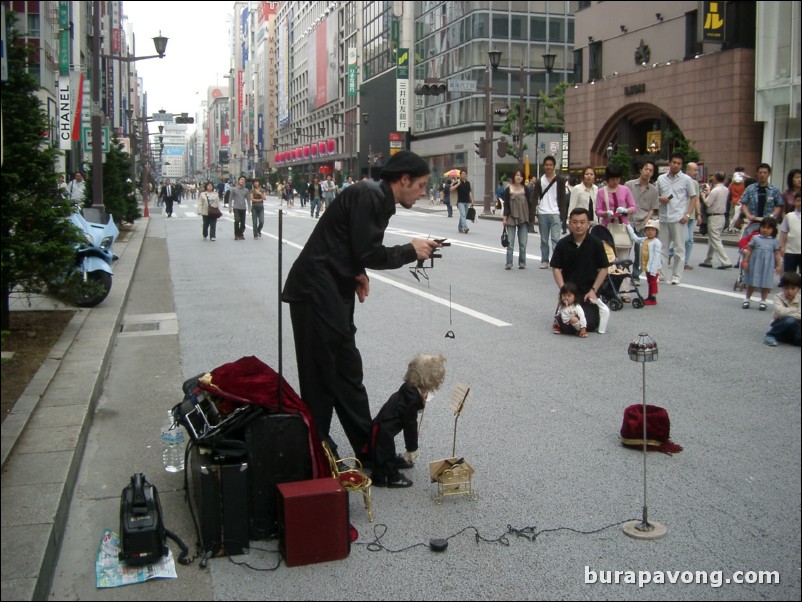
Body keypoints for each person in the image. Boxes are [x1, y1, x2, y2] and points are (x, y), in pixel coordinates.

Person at [281, 150, 441, 459]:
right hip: (315, 292)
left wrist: (357, 272)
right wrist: (410, 250)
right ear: (404, 180)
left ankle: (371, 454)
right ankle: (316, 458)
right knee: (320, 383)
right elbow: (368, 251)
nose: (423, 193)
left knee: (348, 377)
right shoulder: (370, 196)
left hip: (331, 292)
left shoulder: (376, 197)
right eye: (420, 186)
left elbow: (348, 244)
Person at [369, 354, 446, 488]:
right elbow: (409, 426)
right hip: (384, 432)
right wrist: (412, 448)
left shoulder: (408, 388)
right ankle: (391, 478)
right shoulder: (412, 400)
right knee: (384, 454)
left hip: (381, 426)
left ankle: (387, 466)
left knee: (384, 451)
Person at [550, 208, 610, 334]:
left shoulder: (596, 244)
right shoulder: (563, 244)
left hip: (588, 293)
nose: (578, 226)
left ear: (588, 224)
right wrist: (563, 290)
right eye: (575, 222)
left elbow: (604, 268)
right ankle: (561, 319)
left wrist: (594, 290)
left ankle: (569, 320)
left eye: (582, 222)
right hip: (569, 292)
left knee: (590, 324)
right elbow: (556, 268)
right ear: (569, 223)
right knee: (567, 325)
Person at [656, 153, 698, 285]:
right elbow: (655, 195)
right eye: (674, 162)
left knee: (679, 249)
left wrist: (687, 214)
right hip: (664, 217)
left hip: (678, 218)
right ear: (669, 163)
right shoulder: (661, 179)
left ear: (681, 165)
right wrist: (660, 199)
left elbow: (693, 197)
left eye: (679, 163)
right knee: (662, 248)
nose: (676, 165)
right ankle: (662, 274)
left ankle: (676, 275)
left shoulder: (686, 180)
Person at [625, 161, 659, 282]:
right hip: (628, 220)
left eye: (650, 170)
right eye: (646, 169)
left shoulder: (653, 190)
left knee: (640, 251)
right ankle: (623, 273)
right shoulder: (629, 185)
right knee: (625, 248)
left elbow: (653, 208)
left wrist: (646, 220)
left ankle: (635, 275)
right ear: (641, 170)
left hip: (643, 222)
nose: (647, 172)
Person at [532, 156, 568, 269]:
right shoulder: (539, 181)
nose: (548, 167)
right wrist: (532, 214)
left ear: (554, 166)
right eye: (546, 165)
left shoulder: (560, 180)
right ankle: (544, 260)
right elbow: (534, 198)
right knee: (543, 240)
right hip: (543, 213)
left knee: (556, 240)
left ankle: (556, 261)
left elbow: (562, 198)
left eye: (550, 165)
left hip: (555, 213)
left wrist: (563, 215)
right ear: (544, 166)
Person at [741, 217, 782, 311]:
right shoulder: (755, 238)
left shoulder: (774, 241)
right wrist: (746, 261)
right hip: (755, 263)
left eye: (768, 228)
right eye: (763, 227)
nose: (765, 230)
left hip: (768, 265)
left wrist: (778, 265)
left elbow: (777, 254)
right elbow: (749, 250)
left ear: (773, 230)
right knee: (752, 281)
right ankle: (747, 298)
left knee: (765, 283)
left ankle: (763, 300)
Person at [699, 171, 733, 269]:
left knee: (715, 240)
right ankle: (708, 260)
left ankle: (726, 262)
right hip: (721, 216)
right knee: (713, 239)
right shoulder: (726, 189)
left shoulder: (715, 190)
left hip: (714, 216)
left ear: (716, 178)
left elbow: (708, 203)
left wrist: (703, 196)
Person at [502, 170, 533, 270]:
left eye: (520, 176)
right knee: (510, 243)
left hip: (523, 217)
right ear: (513, 177)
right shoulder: (508, 189)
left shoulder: (526, 189)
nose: (518, 177)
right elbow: (506, 204)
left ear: (523, 178)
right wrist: (504, 218)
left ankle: (522, 263)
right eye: (517, 175)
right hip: (511, 217)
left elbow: (530, 204)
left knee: (523, 243)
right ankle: (509, 263)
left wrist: (531, 218)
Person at [626, 220, 663, 305]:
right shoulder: (644, 240)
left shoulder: (657, 242)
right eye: (648, 230)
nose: (650, 232)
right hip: (646, 266)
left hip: (654, 267)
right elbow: (635, 238)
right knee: (649, 282)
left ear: (656, 232)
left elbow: (656, 256)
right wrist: (628, 225)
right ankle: (649, 296)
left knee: (653, 282)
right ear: (645, 231)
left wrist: (653, 269)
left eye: (652, 230)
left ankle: (653, 298)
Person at [764, 272, 801, 346]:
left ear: (798, 289)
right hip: (779, 322)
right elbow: (780, 312)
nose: (789, 291)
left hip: (796, 325)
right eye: (786, 288)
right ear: (782, 288)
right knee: (790, 320)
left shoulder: (800, 298)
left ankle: (784, 337)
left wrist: (787, 313)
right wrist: (794, 310)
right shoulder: (778, 297)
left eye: (793, 288)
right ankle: (770, 335)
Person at [595, 164, 637, 228]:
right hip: (607, 226)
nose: (615, 182)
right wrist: (605, 213)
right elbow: (597, 211)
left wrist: (625, 210)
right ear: (607, 178)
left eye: (617, 179)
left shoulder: (625, 189)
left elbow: (633, 207)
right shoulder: (601, 192)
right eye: (612, 179)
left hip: (623, 225)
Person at [779, 192, 801, 274]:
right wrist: (782, 246)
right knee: (789, 274)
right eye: (798, 201)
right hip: (790, 251)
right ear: (794, 202)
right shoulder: (789, 216)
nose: (800, 203)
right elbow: (784, 232)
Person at [451, 169, 474, 233]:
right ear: (460, 175)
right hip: (460, 201)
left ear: (466, 175)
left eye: (465, 174)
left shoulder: (468, 183)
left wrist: (472, 200)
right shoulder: (458, 182)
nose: (464, 175)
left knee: (463, 215)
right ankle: (465, 227)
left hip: (467, 201)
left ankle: (460, 227)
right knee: (463, 214)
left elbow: (470, 192)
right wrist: (458, 184)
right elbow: (451, 189)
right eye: (462, 174)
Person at [228, 176, 249, 240]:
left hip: (243, 208)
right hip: (236, 207)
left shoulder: (246, 190)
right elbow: (230, 198)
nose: (242, 181)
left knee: (243, 223)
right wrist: (230, 207)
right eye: (241, 179)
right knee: (237, 221)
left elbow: (248, 199)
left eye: (244, 180)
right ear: (238, 181)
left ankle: (241, 234)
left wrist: (249, 207)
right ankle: (236, 234)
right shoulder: (233, 189)